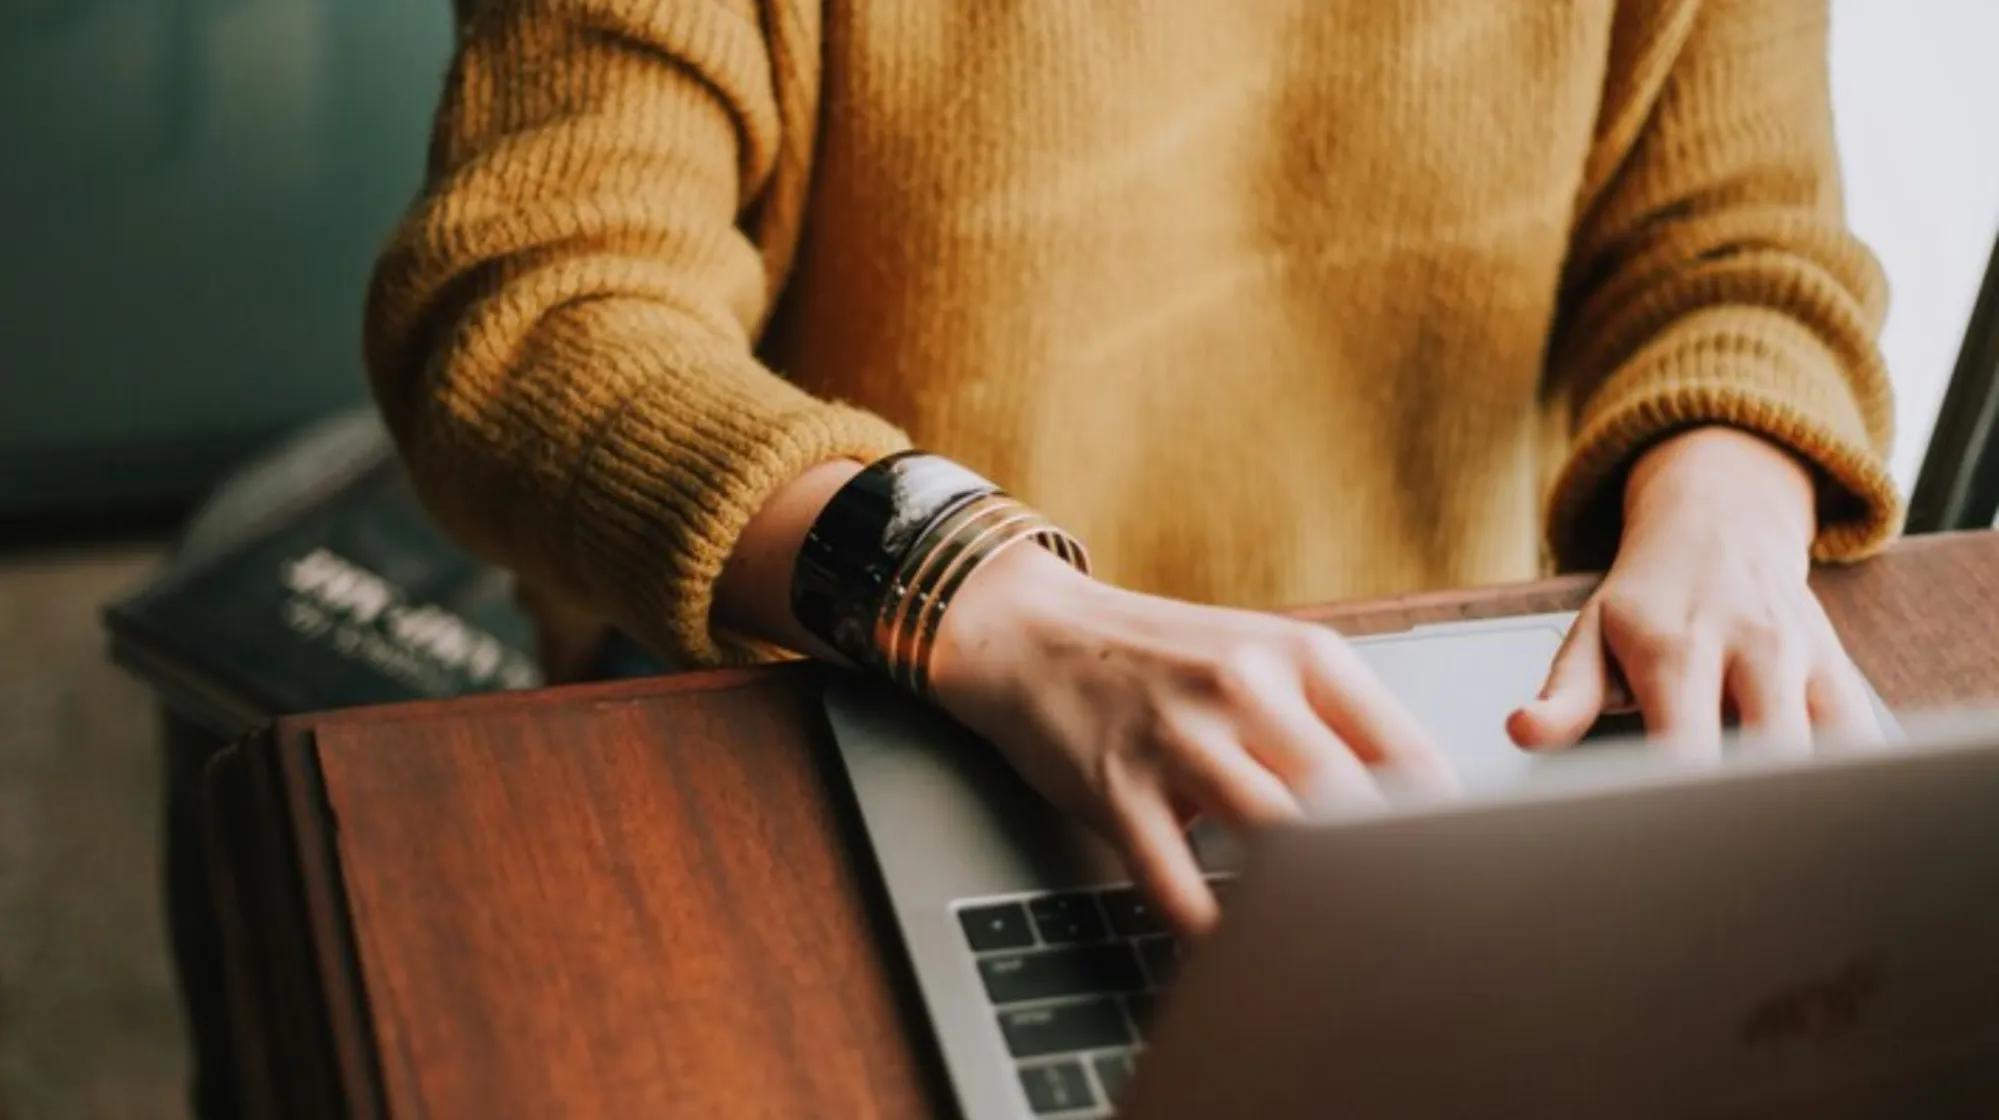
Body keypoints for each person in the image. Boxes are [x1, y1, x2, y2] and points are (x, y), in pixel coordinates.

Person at [365, 0, 1898, 934]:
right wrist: (977, 593)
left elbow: (1741, 248)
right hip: (857, 696)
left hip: (1432, 743)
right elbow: (532, 311)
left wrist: (1731, 495)